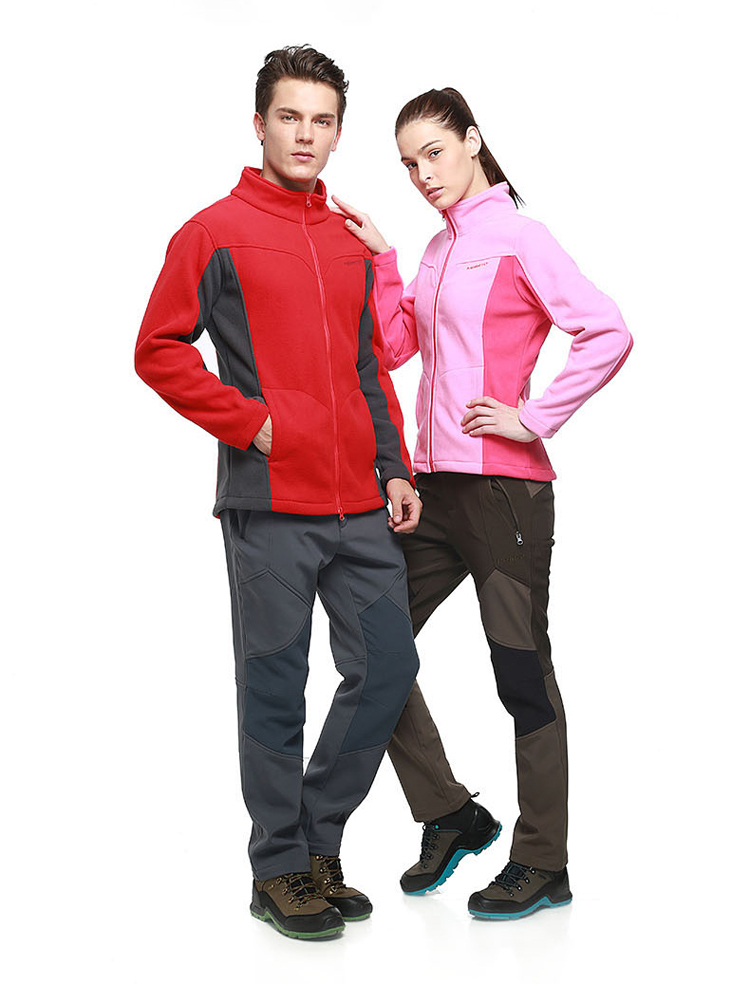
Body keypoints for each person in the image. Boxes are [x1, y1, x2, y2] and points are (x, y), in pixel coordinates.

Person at [134, 45, 422, 941]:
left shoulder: (345, 239)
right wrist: (248, 421)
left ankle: (316, 843)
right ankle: (277, 868)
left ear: (337, 134)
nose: (305, 134)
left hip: (360, 503)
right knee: (274, 686)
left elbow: (369, 366)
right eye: (290, 117)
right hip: (267, 506)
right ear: (259, 124)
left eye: (322, 120)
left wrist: (396, 465)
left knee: (388, 669)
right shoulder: (211, 232)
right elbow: (158, 348)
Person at [333, 86, 633, 920]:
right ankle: (450, 813)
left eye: (434, 152)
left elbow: (607, 330)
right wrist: (384, 262)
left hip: (504, 492)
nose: (423, 173)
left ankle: (543, 860)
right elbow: (399, 348)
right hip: (433, 491)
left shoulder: (518, 238)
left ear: (472, 141)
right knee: (372, 641)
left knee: (521, 673)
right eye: (409, 163)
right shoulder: (437, 249)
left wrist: (533, 418)